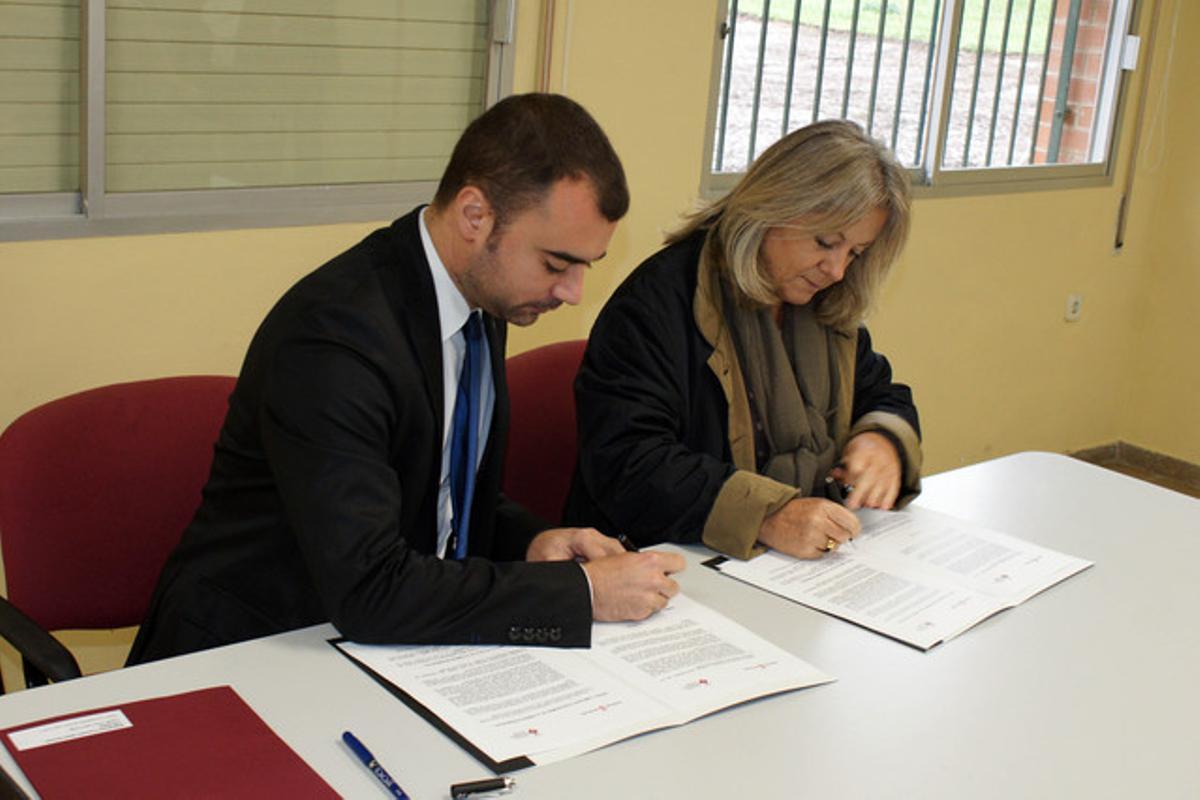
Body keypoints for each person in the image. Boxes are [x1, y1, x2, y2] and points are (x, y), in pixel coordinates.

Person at [128, 94, 685, 664]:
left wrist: (533, 542)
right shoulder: (334, 339)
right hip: (257, 651)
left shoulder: (482, 298)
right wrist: (583, 594)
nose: (572, 293)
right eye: (555, 264)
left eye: (582, 268)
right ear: (475, 217)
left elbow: (443, 495)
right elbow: (369, 587)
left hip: (386, 638)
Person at [564, 120, 921, 561]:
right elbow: (630, 462)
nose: (837, 270)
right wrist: (767, 516)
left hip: (790, 568)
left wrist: (882, 440)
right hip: (660, 566)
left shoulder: (823, 302)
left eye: (855, 253)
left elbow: (880, 392)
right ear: (772, 206)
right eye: (826, 242)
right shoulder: (660, 302)